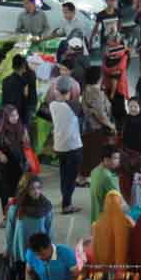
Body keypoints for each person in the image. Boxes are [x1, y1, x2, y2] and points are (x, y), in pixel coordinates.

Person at [0, 104, 31, 222]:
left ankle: (20, 213)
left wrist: (27, 144)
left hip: (19, 162)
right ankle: (6, 217)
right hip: (4, 163)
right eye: (12, 116)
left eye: (16, 115)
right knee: (4, 192)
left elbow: (27, 145)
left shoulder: (22, 127)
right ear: (6, 117)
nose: (15, 118)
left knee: (20, 189)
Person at [48, 82, 83, 213]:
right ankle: (67, 205)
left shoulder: (52, 105)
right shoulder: (73, 106)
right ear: (68, 93)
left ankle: (65, 200)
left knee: (64, 176)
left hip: (60, 147)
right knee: (71, 178)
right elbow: (83, 109)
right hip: (73, 146)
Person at [1, 53, 38, 125]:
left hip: (8, 110)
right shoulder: (24, 82)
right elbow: (24, 100)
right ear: (24, 66)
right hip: (20, 112)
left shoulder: (5, 80)